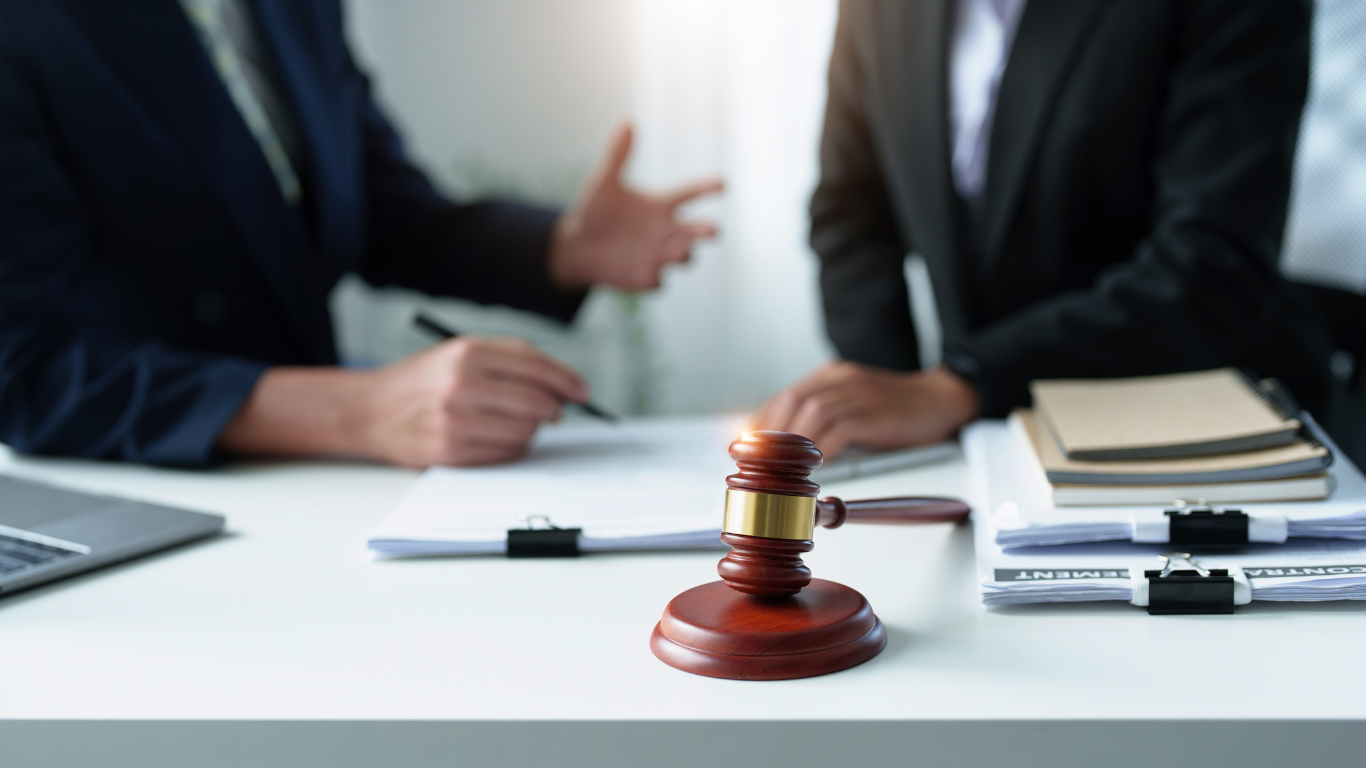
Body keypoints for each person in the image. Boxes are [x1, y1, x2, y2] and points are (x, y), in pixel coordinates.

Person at [0, 0, 720, 468]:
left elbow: (380, 210)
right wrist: (361, 409)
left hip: (314, 483)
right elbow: (27, 367)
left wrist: (560, 247)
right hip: (150, 486)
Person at [752, 0, 1331, 456]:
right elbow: (851, 211)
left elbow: (1213, 264)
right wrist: (886, 396)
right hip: (978, 445)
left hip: (1193, 428)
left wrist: (959, 386)